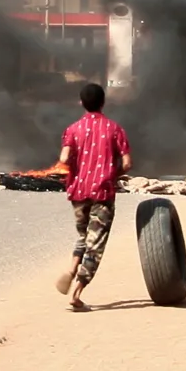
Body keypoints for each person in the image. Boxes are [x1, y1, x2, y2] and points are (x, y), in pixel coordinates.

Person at [53, 82, 131, 311]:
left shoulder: (73, 129)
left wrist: (73, 170)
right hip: (102, 192)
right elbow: (127, 163)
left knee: (84, 235)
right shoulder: (114, 129)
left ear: (81, 103)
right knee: (95, 243)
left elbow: (64, 159)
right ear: (103, 102)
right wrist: (111, 174)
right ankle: (77, 293)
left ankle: (71, 268)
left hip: (78, 191)